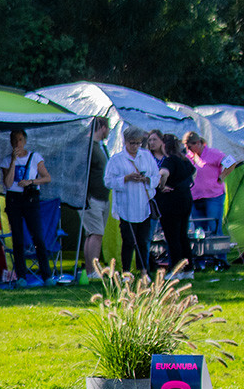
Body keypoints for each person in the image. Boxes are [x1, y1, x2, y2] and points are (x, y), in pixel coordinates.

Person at [0, 129, 54, 285]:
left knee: (37, 236)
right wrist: (13, 161)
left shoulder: (35, 157)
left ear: (25, 141)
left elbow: (47, 177)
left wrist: (31, 182)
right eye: (14, 140)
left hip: (30, 197)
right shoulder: (6, 160)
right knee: (17, 238)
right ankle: (21, 277)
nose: (17, 143)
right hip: (13, 199)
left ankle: (46, 275)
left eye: (20, 139)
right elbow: (8, 183)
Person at [104, 126, 160, 276]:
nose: (135, 146)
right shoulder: (116, 159)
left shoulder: (146, 156)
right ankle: (126, 273)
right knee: (128, 241)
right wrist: (126, 178)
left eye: (138, 143)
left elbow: (156, 176)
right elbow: (108, 181)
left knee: (143, 241)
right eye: (132, 143)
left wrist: (146, 179)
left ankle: (144, 272)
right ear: (125, 142)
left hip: (143, 205)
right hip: (126, 206)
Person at [156, 134, 196, 279]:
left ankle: (175, 270)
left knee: (172, 236)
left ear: (164, 146)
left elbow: (163, 173)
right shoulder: (184, 159)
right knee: (183, 235)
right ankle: (188, 269)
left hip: (171, 202)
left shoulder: (170, 160)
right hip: (185, 199)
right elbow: (193, 172)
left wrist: (161, 186)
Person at [183, 131, 236, 235]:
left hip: (213, 196)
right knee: (199, 231)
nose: (189, 150)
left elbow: (231, 162)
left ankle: (218, 245)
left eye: (190, 147)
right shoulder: (188, 157)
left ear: (198, 143)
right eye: (186, 147)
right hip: (195, 197)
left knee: (213, 227)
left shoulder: (213, 153)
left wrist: (222, 177)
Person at [84, 118, 111, 278]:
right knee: (96, 233)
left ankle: (90, 270)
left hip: (103, 197)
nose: (109, 132)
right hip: (91, 197)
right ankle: (93, 271)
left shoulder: (101, 147)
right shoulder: (88, 147)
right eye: (108, 128)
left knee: (93, 233)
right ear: (102, 127)